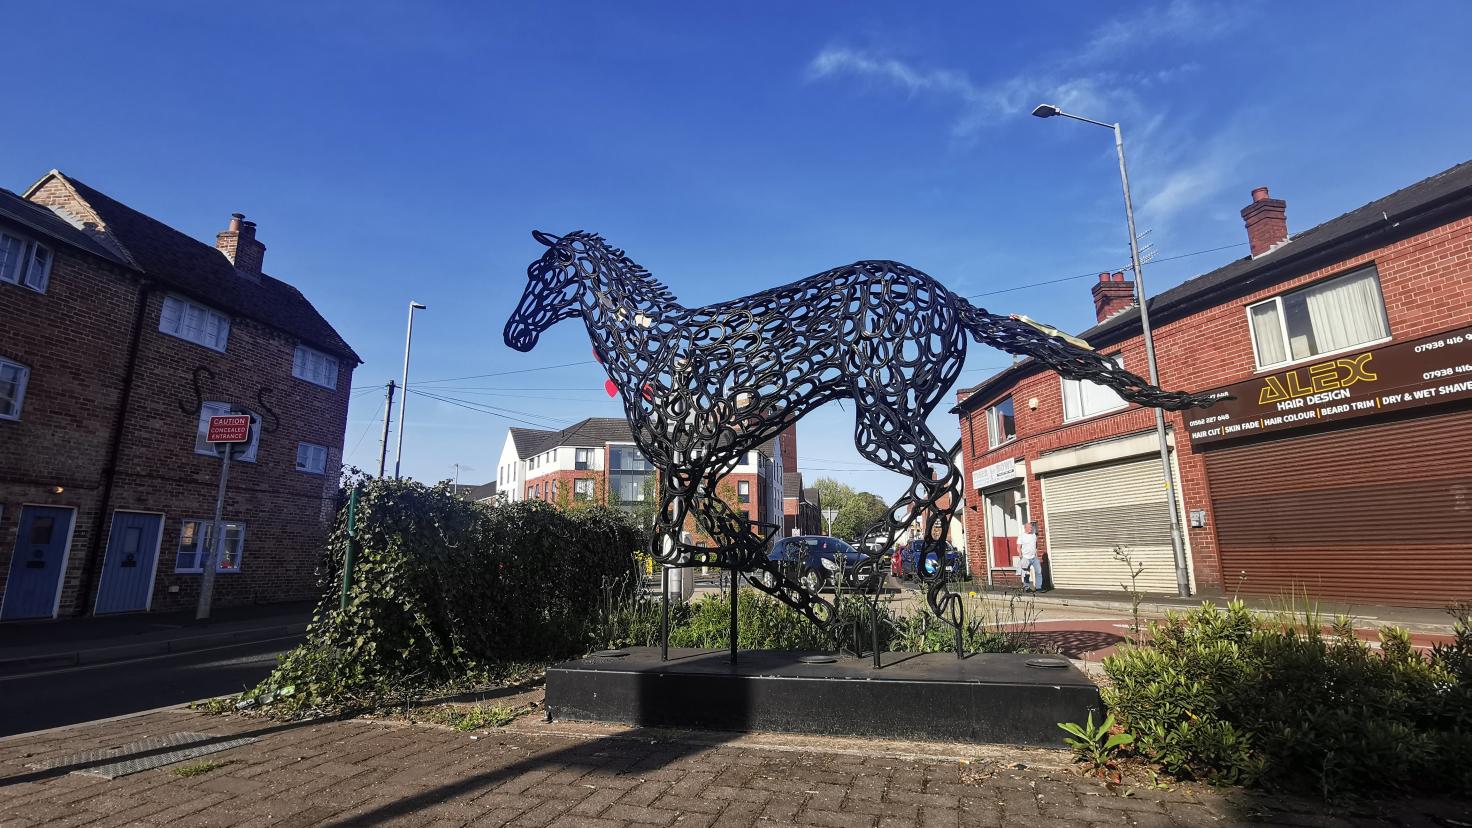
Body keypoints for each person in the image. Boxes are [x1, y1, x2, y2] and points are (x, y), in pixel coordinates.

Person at [1017, 521, 1043, 592]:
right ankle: (1026, 587)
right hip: (1025, 557)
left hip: (1034, 557)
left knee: (1039, 571)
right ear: (1025, 528)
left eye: (1031, 527)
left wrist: (1036, 553)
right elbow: (1018, 547)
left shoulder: (1034, 535)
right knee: (1026, 573)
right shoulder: (1021, 536)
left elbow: (1035, 545)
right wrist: (1020, 556)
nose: (1031, 528)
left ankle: (1038, 587)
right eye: (1029, 527)